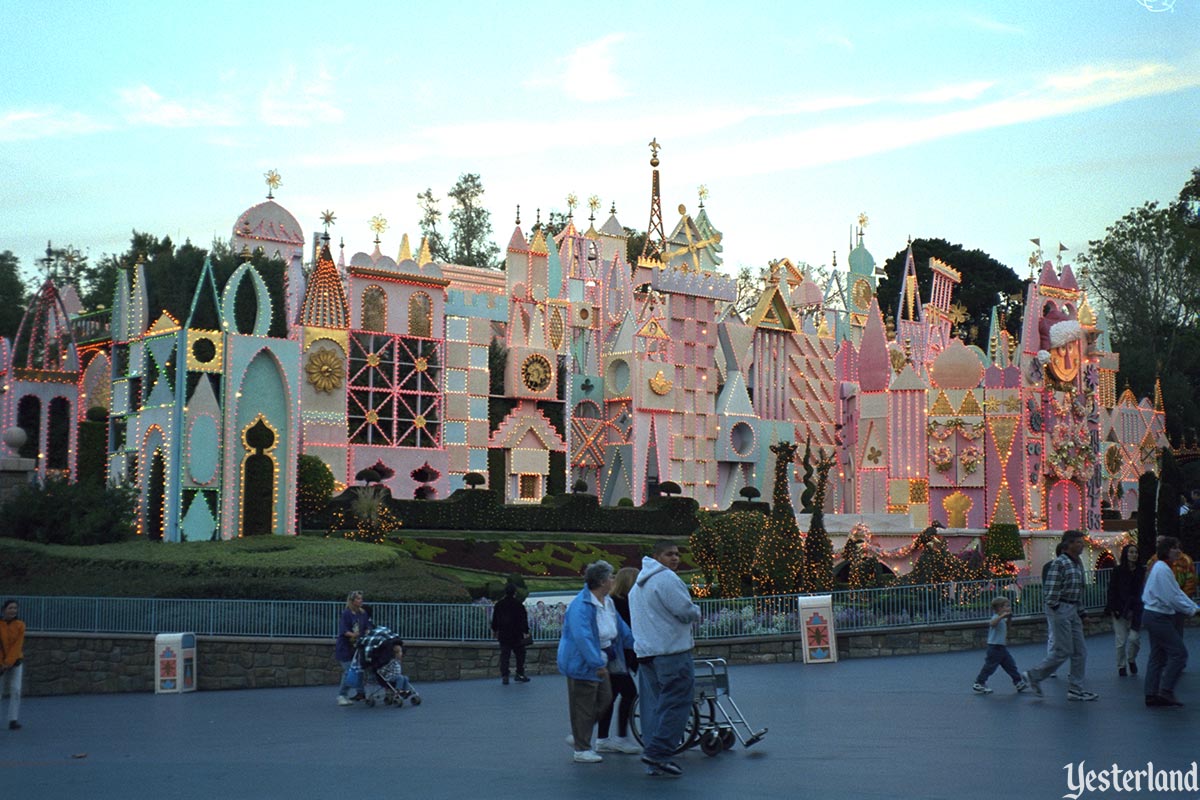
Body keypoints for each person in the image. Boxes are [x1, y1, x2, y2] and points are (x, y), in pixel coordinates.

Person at [630, 540, 701, 778]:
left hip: (647, 653)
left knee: (653, 707)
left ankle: (653, 759)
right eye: (670, 554)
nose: (675, 558)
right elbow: (685, 610)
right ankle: (659, 753)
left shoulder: (637, 586)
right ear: (657, 556)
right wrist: (696, 612)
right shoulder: (666, 579)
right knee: (676, 703)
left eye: (677, 554)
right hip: (671, 652)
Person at [558, 560, 634, 764]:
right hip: (583, 663)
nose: (613, 580)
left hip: (601, 658)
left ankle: (579, 733)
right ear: (602, 581)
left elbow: (621, 629)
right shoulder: (581, 606)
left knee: (605, 699)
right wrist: (595, 662)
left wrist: (638, 645)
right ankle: (581, 749)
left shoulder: (607, 602)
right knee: (583, 703)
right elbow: (583, 637)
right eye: (611, 577)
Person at [1023, 530, 1098, 701]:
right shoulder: (1060, 563)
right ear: (1069, 544)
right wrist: (1056, 608)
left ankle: (1076, 688)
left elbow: (1077, 590)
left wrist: (1082, 613)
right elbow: (1051, 590)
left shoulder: (1077, 563)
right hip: (1061, 608)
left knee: (1080, 651)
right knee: (1063, 650)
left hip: (1072, 608)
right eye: (1078, 542)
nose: (1082, 545)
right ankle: (1034, 675)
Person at [1142, 536, 1199, 707]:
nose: (1179, 551)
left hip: (1153, 614)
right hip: (1159, 616)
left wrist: (1193, 607)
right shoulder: (1163, 569)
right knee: (1179, 653)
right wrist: (1192, 610)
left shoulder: (1162, 567)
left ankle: (1151, 694)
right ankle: (1165, 691)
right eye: (1175, 548)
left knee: (1157, 655)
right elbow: (1173, 596)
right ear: (1167, 550)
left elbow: (1176, 593)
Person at [596, 566, 641, 754]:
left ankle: (603, 738)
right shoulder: (623, 603)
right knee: (629, 693)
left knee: (611, 696)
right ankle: (620, 736)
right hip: (618, 656)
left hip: (615, 655)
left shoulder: (614, 602)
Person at [972, 596, 1029, 694]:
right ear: (1000, 608)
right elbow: (992, 624)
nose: (1009, 608)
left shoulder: (1002, 620)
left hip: (1001, 647)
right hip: (994, 647)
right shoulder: (996, 618)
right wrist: (1002, 616)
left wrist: (1009, 618)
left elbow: (1008, 628)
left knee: (1010, 665)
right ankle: (979, 682)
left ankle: (1018, 682)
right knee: (990, 666)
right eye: (1007, 606)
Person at [1105, 543, 1144, 677]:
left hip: (1136, 608)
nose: (1134, 555)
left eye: (1136, 552)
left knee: (1134, 639)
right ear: (1126, 554)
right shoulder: (1118, 571)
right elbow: (1112, 589)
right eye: (1131, 552)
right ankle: (1121, 665)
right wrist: (1113, 607)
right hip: (1120, 607)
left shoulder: (1141, 571)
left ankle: (1131, 659)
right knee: (1121, 640)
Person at [491, 583, 531, 685]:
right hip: (517, 634)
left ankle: (505, 675)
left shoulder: (499, 605)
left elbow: (495, 619)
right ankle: (519, 673)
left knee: (505, 656)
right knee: (520, 655)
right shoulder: (519, 605)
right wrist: (526, 631)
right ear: (515, 593)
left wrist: (495, 630)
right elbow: (523, 619)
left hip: (504, 634)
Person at [335, 590, 369, 706]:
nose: (361, 601)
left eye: (361, 598)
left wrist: (367, 631)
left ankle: (360, 692)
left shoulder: (363, 613)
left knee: (358, 671)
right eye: (358, 599)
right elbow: (344, 630)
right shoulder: (346, 613)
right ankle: (342, 695)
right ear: (352, 601)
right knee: (349, 671)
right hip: (345, 647)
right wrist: (354, 635)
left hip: (358, 647)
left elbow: (366, 626)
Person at [0, 600, 25, 730]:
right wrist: (2, 663)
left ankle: (13, 719)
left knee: (16, 690)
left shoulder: (20, 625)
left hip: (15, 662)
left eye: (15, 608)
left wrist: (8, 663)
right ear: (4, 609)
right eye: (10, 608)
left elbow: (17, 645)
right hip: (0, 664)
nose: (13, 610)